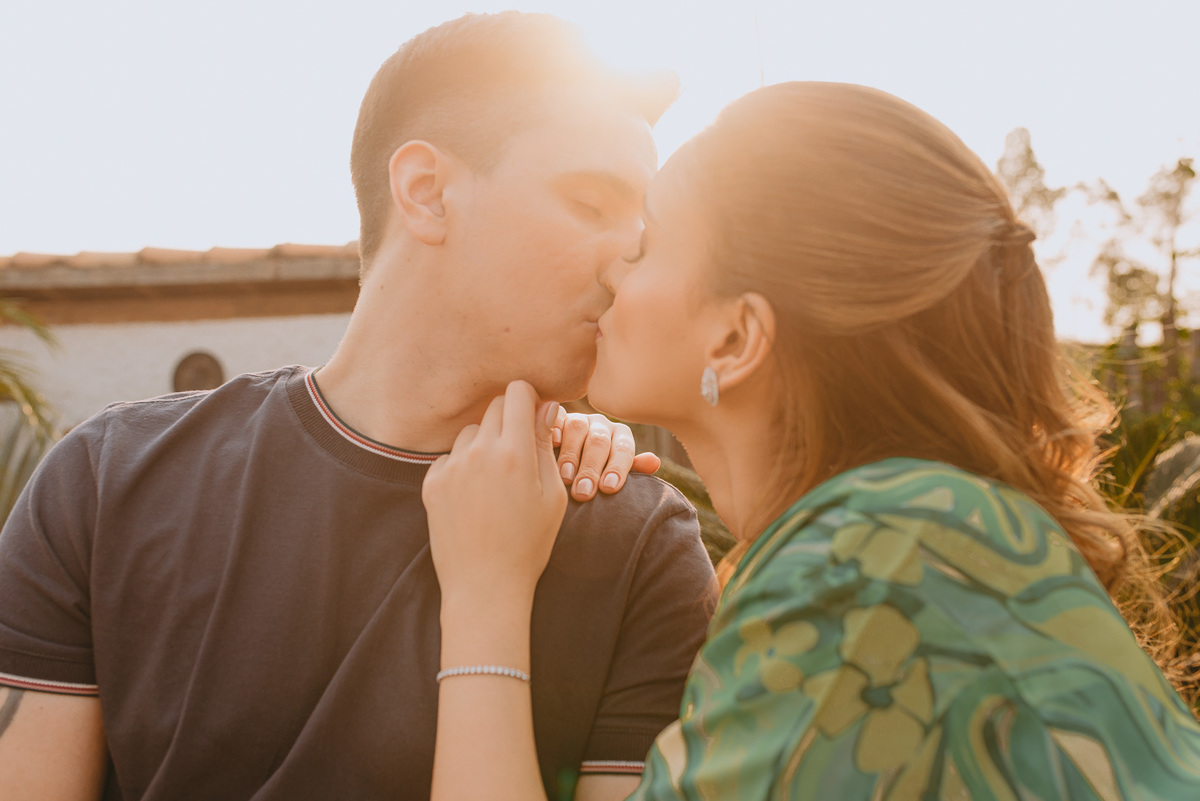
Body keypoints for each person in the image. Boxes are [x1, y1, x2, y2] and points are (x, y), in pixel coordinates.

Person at [0, 13, 718, 800]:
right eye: (591, 204)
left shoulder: (643, 542)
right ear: (426, 193)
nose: (629, 262)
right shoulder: (108, 482)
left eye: (641, 230)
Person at [422, 81, 1200, 799]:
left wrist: (485, 588)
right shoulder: (920, 531)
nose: (614, 268)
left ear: (735, 338)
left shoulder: (875, 563)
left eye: (648, 243)